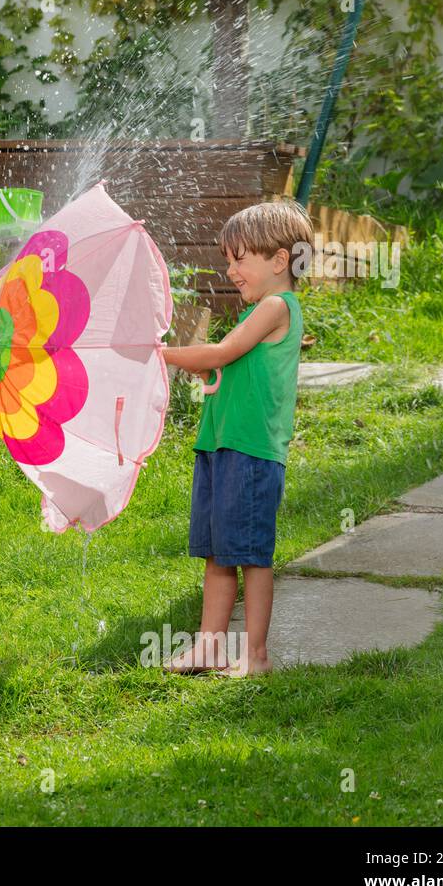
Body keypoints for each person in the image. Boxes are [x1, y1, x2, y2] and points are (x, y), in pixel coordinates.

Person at [161, 200, 311, 677]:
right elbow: (226, 362)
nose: (230, 270)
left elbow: (224, 352)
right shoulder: (262, 309)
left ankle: (258, 656)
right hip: (221, 447)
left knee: (251, 557)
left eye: (239, 258)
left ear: (279, 260)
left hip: (251, 453)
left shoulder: (276, 306)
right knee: (218, 554)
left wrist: (161, 352)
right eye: (229, 259)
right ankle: (209, 646)